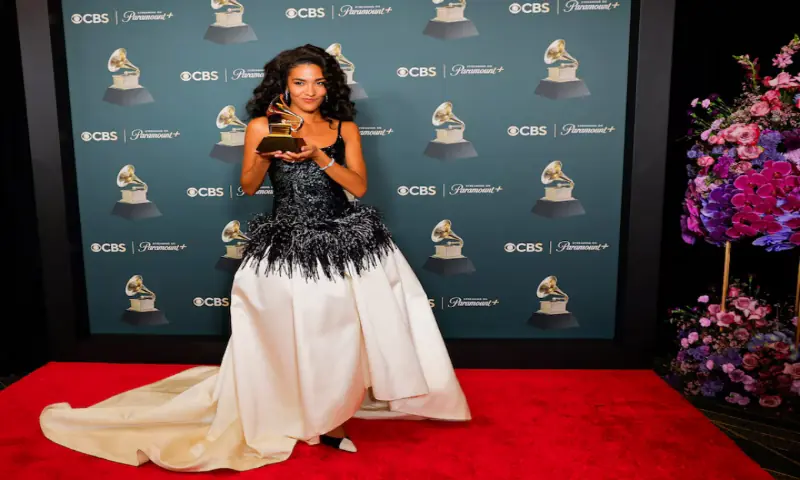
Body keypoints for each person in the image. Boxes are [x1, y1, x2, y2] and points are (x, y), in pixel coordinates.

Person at [38, 44, 471, 472]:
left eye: (319, 83)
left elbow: (358, 187)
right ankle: (291, 407)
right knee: (286, 338)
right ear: (282, 85)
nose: (310, 91)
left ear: (330, 86)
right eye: (300, 82)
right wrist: (267, 155)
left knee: (340, 337)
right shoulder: (262, 126)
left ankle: (334, 419)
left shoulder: (344, 128)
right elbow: (248, 186)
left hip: (343, 244)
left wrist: (319, 155)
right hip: (285, 248)